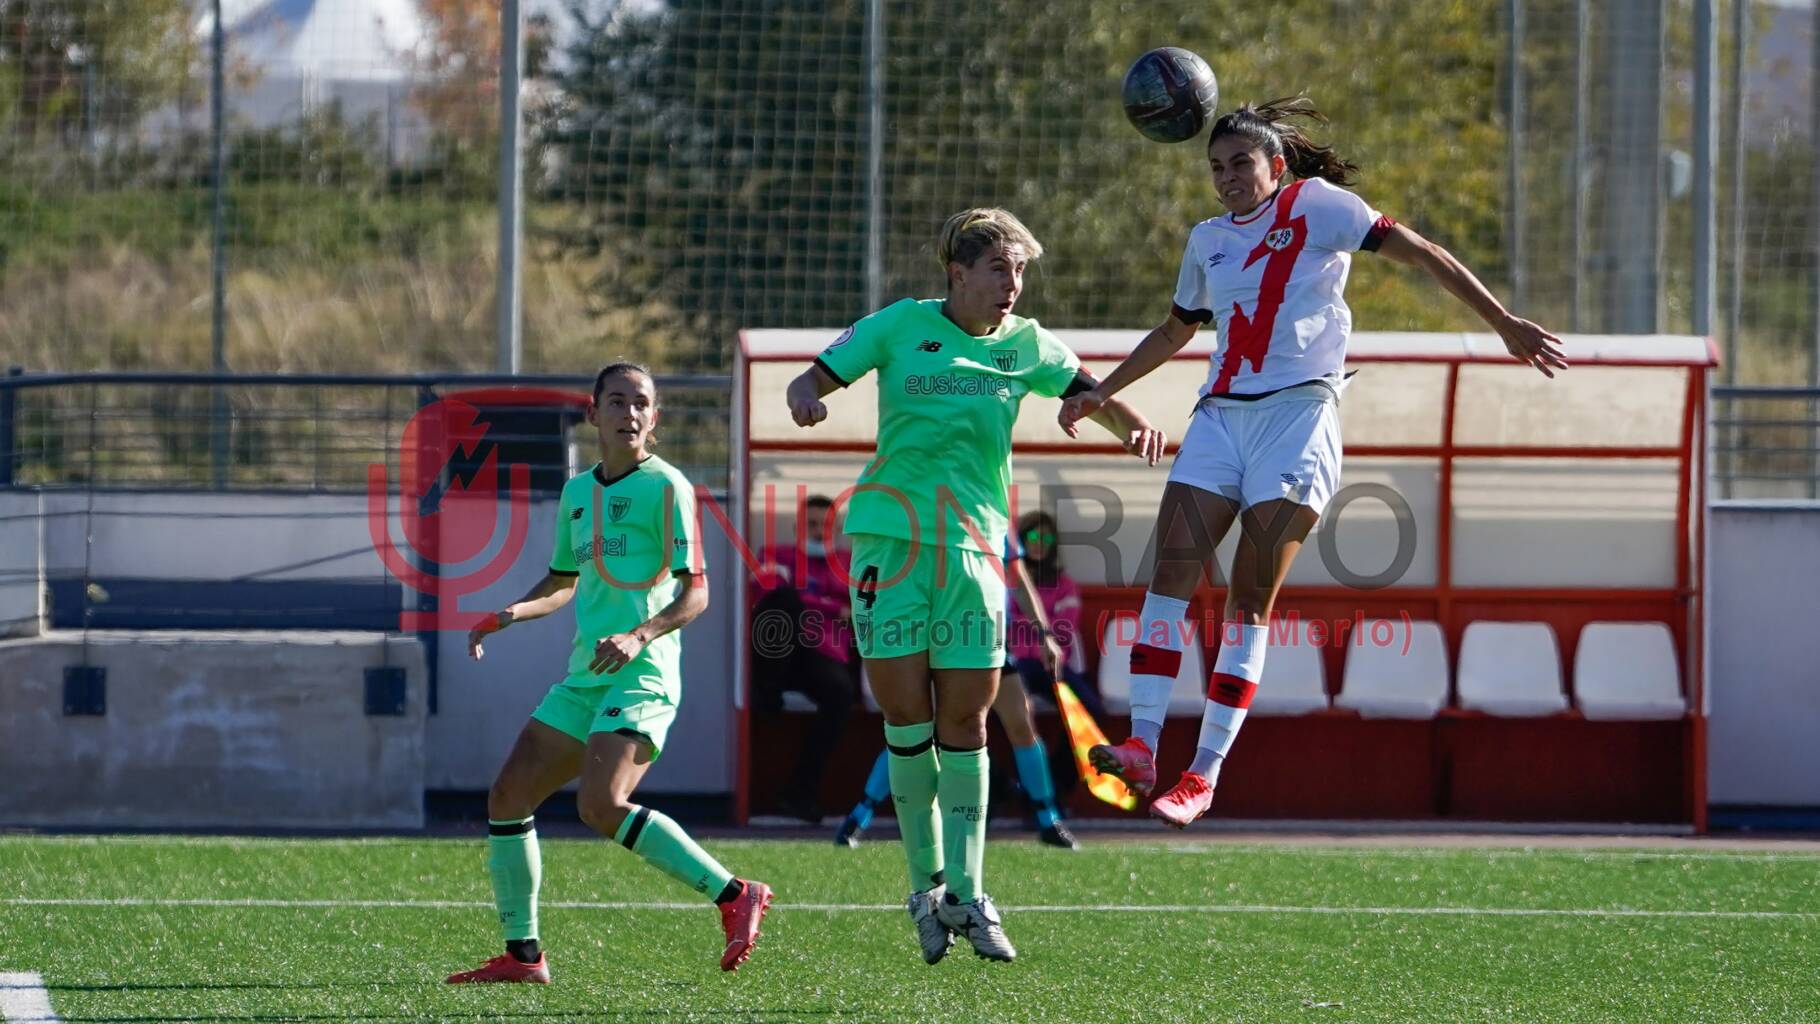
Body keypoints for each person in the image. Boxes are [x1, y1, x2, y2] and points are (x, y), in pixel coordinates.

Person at [1061, 98, 1567, 830]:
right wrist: (1100, 392)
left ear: (1277, 165)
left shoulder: (1320, 207)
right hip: (1220, 418)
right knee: (1168, 574)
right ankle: (1142, 745)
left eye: (1241, 162)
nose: (1227, 176)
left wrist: (1503, 324)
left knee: (1247, 592)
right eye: (1215, 167)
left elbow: (1424, 253)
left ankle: (1201, 775)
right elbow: (1176, 329)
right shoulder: (1206, 240)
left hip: (1298, 419)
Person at [786, 207, 1166, 963]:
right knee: (906, 717)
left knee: (968, 719)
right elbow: (816, 374)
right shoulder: (899, 325)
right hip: (889, 545)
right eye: (1000, 270)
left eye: (1020, 272)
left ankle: (968, 893)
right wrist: (807, 395)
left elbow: (1087, 391)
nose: (1013, 286)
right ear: (957, 274)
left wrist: (1134, 428)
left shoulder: (1028, 343)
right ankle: (926, 889)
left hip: (973, 551)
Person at [446, 362, 772, 983]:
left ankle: (735, 895)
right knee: (508, 796)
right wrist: (510, 613)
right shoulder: (577, 493)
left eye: (640, 403)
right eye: (616, 402)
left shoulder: (668, 486)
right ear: (592, 414)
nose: (629, 413)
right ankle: (523, 957)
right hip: (587, 673)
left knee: (601, 803)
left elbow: (696, 593)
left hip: (642, 672)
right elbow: (564, 582)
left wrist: (639, 634)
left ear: (655, 418)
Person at [834, 529, 1079, 851]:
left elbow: (1018, 581)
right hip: (938, 641)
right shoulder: (926, 516)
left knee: (1021, 724)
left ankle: (1048, 819)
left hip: (987, 640)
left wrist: (1045, 634)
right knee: (914, 730)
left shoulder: (994, 518)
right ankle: (860, 816)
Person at [750, 493, 857, 822]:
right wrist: (833, 606)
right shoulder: (774, 555)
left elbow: (865, 609)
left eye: (825, 526)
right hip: (781, 651)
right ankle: (766, 691)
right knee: (785, 601)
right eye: (810, 524)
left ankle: (799, 794)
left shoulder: (851, 562)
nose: (817, 531)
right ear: (797, 526)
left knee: (841, 695)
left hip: (825, 655)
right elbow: (765, 596)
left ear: (837, 529)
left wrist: (817, 601)